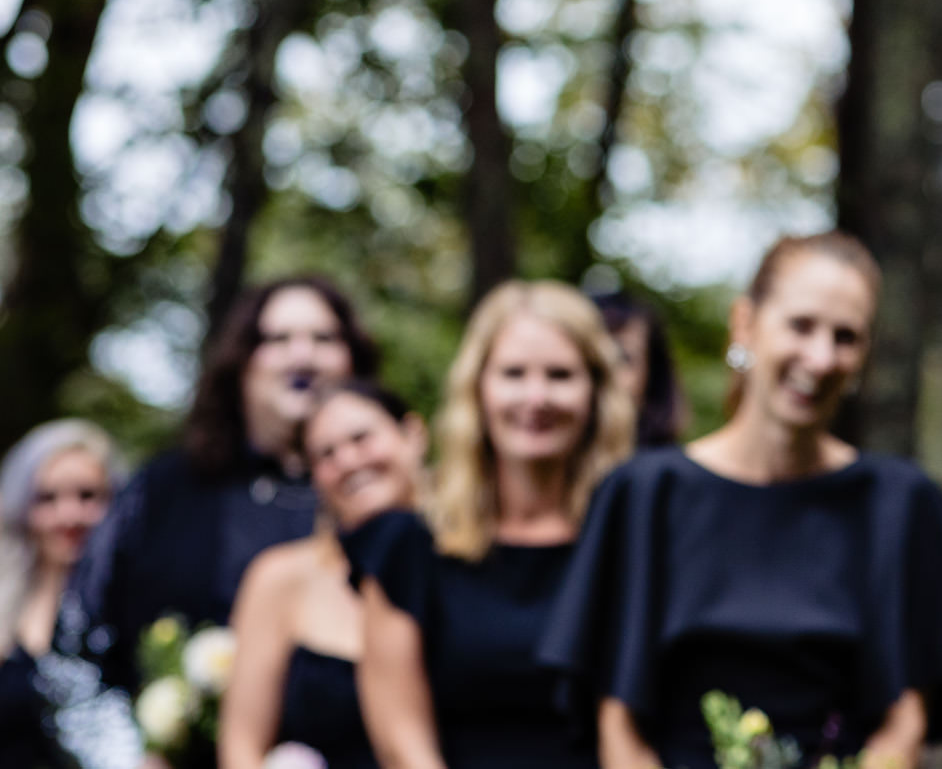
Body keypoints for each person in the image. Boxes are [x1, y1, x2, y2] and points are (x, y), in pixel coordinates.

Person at [541, 233, 942, 769]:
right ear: (745, 324)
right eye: (801, 326)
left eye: (845, 337)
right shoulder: (643, 496)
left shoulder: (903, 504)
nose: (821, 357)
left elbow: (905, 723)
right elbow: (617, 721)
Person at [345, 281, 633, 769]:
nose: (536, 397)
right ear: (477, 389)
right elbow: (403, 743)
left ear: (596, 393)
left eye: (560, 375)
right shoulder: (409, 547)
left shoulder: (630, 545)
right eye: (514, 374)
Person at [60, 278, 375, 698]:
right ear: (241, 360)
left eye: (324, 338)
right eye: (277, 339)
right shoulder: (163, 488)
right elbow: (80, 637)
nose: (303, 356)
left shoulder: (382, 497)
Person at [217, 381, 428, 769]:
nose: (348, 460)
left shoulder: (470, 562)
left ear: (413, 434)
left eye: (361, 438)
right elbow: (241, 748)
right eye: (326, 454)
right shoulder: (278, 578)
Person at [0, 421, 124, 769]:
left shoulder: (130, 609)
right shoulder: (5, 603)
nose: (68, 515)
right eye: (47, 498)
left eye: (87, 496)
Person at [591, 291, 685, 448]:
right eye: (593, 356)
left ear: (653, 376)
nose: (604, 371)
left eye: (623, 357)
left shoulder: (668, 470)